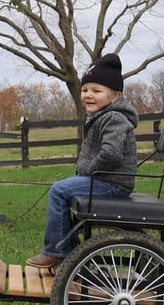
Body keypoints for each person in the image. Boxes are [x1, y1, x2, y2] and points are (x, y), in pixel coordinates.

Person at [26, 53, 138, 269]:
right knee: (63, 190)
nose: (88, 95)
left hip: (114, 184)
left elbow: (111, 154)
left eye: (97, 91)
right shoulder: (99, 115)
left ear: (115, 96)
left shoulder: (114, 118)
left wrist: (87, 170)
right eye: (85, 90)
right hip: (106, 179)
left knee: (59, 190)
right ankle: (72, 254)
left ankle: (56, 251)